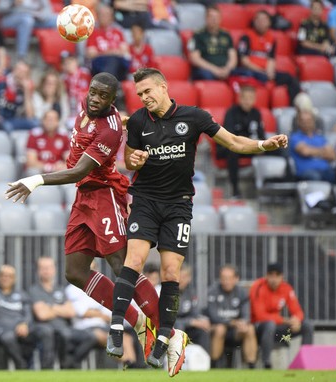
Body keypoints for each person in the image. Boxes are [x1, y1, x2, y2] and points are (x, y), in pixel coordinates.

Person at [107, 67, 287, 377]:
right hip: (146, 201)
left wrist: (262, 145)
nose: (144, 97)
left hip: (178, 206)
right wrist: (132, 158)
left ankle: (164, 337)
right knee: (134, 260)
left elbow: (232, 142)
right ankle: (115, 327)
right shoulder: (137, 121)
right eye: (140, 94)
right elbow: (129, 157)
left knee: (170, 271)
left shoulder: (194, 117)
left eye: (148, 91)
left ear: (163, 87)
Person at [5, 72, 163, 370]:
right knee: (75, 271)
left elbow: (77, 172)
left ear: (110, 100)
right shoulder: (90, 105)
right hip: (84, 199)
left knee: (121, 266)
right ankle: (139, 324)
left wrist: (35, 179)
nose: (94, 98)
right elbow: (112, 118)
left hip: (103, 195)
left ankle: (161, 328)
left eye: (102, 96)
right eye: (93, 92)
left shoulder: (108, 132)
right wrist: (129, 119)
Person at [250, 263, 314, 369]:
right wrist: (285, 321)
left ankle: (305, 361)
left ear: (282, 277)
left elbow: (298, 311)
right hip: (258, 331)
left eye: (277, 275)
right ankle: (267, 364)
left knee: (307, 326)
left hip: (279, 334)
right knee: (269, 325)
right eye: (271, 275)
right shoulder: (258, 287)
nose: (274, 279)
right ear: (266, 276)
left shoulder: (286, 288)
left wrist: (296, 320)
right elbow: (260, 315)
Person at [237, 10, 301, 103]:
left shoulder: (271, 38)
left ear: (269, 22)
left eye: (264, 20)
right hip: (252, 72)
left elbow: (271, 59)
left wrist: (269, 71)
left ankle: (294, 105)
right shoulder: (246, 37)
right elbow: (244, 61)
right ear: (254, 22)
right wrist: (260, 71)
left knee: (290, 78)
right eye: (258, 19)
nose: (261, 22)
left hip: (265, 72)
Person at [217, 85, 266, 198]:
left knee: (276, 148)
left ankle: (275, 185)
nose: (248, 101)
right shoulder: (231, 112)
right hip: (232, 146)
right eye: (245, 98)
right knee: (232, 151)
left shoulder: (256, 113)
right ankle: (235, 189)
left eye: (251, 98)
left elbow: (261, 134)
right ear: (240, 99)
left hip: (250, 146)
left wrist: (262, 145)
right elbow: (229, 137)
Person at [28, 257, 75, 369]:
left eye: (49, 267)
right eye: (43, 268)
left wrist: (50, 307)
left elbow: (71, 312)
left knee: (67, 334)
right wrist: (60, 309)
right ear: (38, 271)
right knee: (47, 332)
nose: (46, 270)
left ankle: (67, 371)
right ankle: (46, 372)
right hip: (42, 328)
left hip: (62, 329)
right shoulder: (34, 290)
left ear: (54, 269)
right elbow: (41, 315)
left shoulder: (61, 289)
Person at [206, 265, 256, 369]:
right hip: (217, 330)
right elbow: (213, 317)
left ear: (236, 279)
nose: (226, 281)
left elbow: (246, 315)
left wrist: (243, 323)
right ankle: (213, 365)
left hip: (236, 331)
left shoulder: (242, 292)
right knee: (220, 329)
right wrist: (232, 322)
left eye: (229, 278)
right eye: (223, 278)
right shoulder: (213, 291)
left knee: (249, 328)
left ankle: (251, 366)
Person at [188, 5, 239, 81]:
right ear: (206, 18)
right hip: (207, 70)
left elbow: (233, 57)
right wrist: (215, 70)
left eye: (216, 17)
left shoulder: (226, 35)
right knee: (206, 75)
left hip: (225, 70)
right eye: (211, 17)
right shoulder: (198, 35)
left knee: (245, 74)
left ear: (220, 19)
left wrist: (227, 69)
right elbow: (195, 59)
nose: (214, 20)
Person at [86, 4, 131, 82]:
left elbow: (125, 51)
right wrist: (111, 52)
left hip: (118, 63)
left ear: (111, 16)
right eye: (102, 15)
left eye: (107, 15)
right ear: (97, 16)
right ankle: (112, 86)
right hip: (100, 63)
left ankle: (109, 86)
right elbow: (91, 54)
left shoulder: (118, 32)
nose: (104, 17)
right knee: (110, 62)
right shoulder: (93, 33)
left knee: (115, 62)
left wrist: (107, 53)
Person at [290, 109, 336, 182]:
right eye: (302, 120)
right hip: (307, 172)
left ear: (313, 121)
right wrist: (323, 151)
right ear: (298, 122)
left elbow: (332, 155)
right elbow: (305, 152)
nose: (306, 123)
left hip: (325, 170)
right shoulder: (294, 137)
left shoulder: (320, 137)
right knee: (316, 177)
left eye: (308, 120)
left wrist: (312, 151)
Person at [174, 264, 210, 355]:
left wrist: (202, 320)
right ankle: (177, 361)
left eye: (184, 277)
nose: (181, 280)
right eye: (179, 276)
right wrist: (190, 322)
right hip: (171, 327)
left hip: (187, 326)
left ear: (189, 278)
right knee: (179, 329)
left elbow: (195, 313)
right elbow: (168, 318)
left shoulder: (190, 293)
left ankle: (205, 362)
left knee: (203, 331)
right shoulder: (167, 293)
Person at [0, 61, 36, 132]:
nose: (20, 74)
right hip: (0, 119)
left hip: (15, 119)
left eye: (24, 72)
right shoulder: (1, 82)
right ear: (13, 70)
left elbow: (30, 116)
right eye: (19, 70)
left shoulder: (26, 89)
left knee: (35, 123)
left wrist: (26, 91)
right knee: (7, 126)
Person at [25, 110, 70, 175]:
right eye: (48, 119)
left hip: (57, 171)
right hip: (40, 170)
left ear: (58, 122)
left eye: (53, 119)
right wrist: (49, 167)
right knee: (33, 171)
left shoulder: (63, 136)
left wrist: (62, 166)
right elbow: (31, 161)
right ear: (43, 121)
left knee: (69, 170)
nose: (50, 122)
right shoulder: (34, 135)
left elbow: (69, 160)